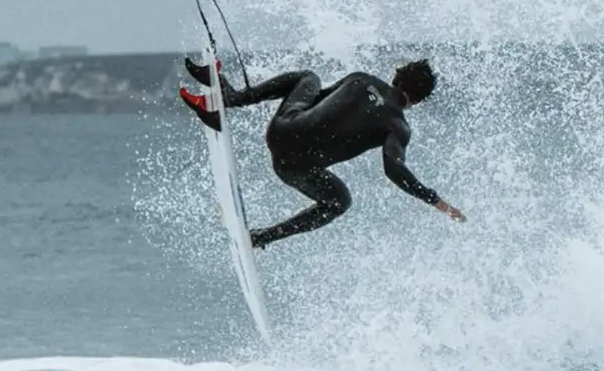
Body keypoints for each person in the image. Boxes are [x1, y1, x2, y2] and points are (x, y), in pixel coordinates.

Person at [179, 56, 466, 249]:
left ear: (398, 76)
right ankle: (261, 237)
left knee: (308, 77)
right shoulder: (399, 127)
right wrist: (435, 200)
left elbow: (314, 101)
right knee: (340, 202)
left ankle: (233, 98)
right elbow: (394, 169)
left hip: (281, 130)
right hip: (291, 166)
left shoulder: (361, 78)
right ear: (419, 99)